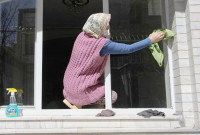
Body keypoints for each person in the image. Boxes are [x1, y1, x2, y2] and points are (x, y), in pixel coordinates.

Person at [63, 13, 164, 108]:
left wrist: (104, 38)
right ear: (99, 27)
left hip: (69, 84)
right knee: (112, 96)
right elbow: (129, 49)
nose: (108, 27)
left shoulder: (81, 36)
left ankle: (77, 103)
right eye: (106, 25)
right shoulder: (103, 44)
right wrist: (150, 40)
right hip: (80, 89)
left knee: (101, 87)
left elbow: (90, 52)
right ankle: (84, 108)